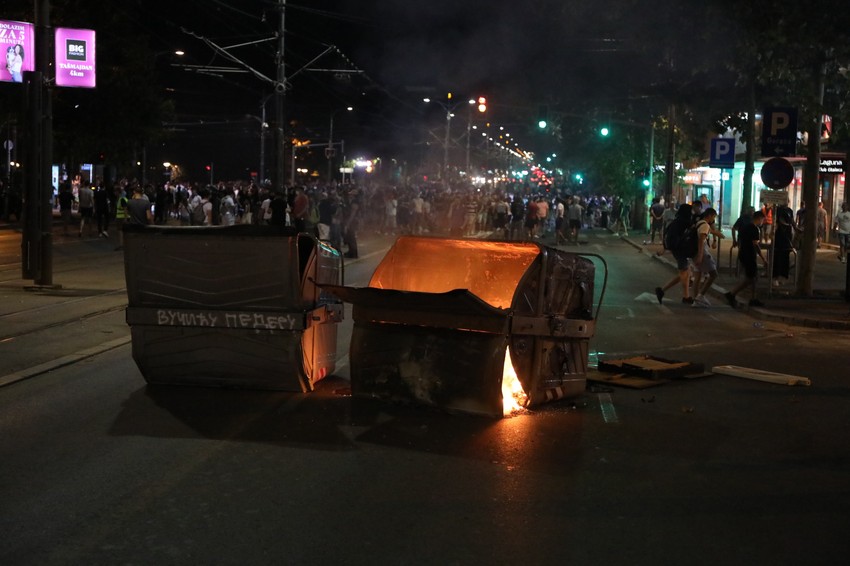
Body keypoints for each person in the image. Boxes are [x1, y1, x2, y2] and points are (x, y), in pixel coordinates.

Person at [654, 203, 695, 305]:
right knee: (684, 273)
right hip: (680, 250)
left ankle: (685, 296)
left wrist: (665, 248)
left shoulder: (676, 221)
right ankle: (663, 291)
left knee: (685, 273)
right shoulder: (684, 221)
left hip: (677, 249)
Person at [725, 210, 767, 308]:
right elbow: (755, 244)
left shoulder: (745, 227)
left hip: (743, 253)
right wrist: (763, 258)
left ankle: (753, 298)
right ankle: (732, 294)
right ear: (759, 218)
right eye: (762, 220)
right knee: (750, 278)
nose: (762, 222)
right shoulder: (754, 229)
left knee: (753, 277)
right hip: (749, 255)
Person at [690, 207, 723, 307]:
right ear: (709, 215)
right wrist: (700, 256)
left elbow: (710, 232)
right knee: (713, 274)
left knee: (697, 276)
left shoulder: (699, 223)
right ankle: (700, 296)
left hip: (694, 252)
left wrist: (718, 234)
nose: (713, 219)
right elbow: (701, 240)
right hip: (702, 253)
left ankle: (696, 300)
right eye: (713, 217)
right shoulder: (705, 225)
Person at [773, 200, 797, 286]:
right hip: (779, 236)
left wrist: (795, 228)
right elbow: (778, 221)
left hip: (787, 236)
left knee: (786, 257)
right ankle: (775, 276)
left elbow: (792, 221)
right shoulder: (778, 210)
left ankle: (783, 277)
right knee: (777, 256)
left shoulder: (790, 210)